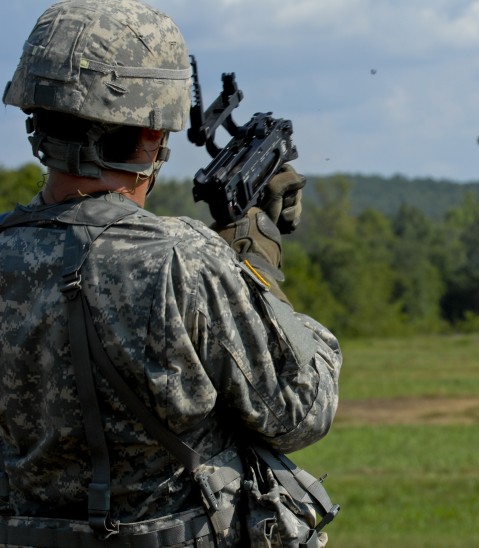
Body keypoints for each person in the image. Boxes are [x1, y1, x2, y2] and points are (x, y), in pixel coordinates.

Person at [0, 0, 341, 546]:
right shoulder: (182, 258)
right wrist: (257, 275)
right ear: (153, 133)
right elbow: (300, 407)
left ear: (36, 117)